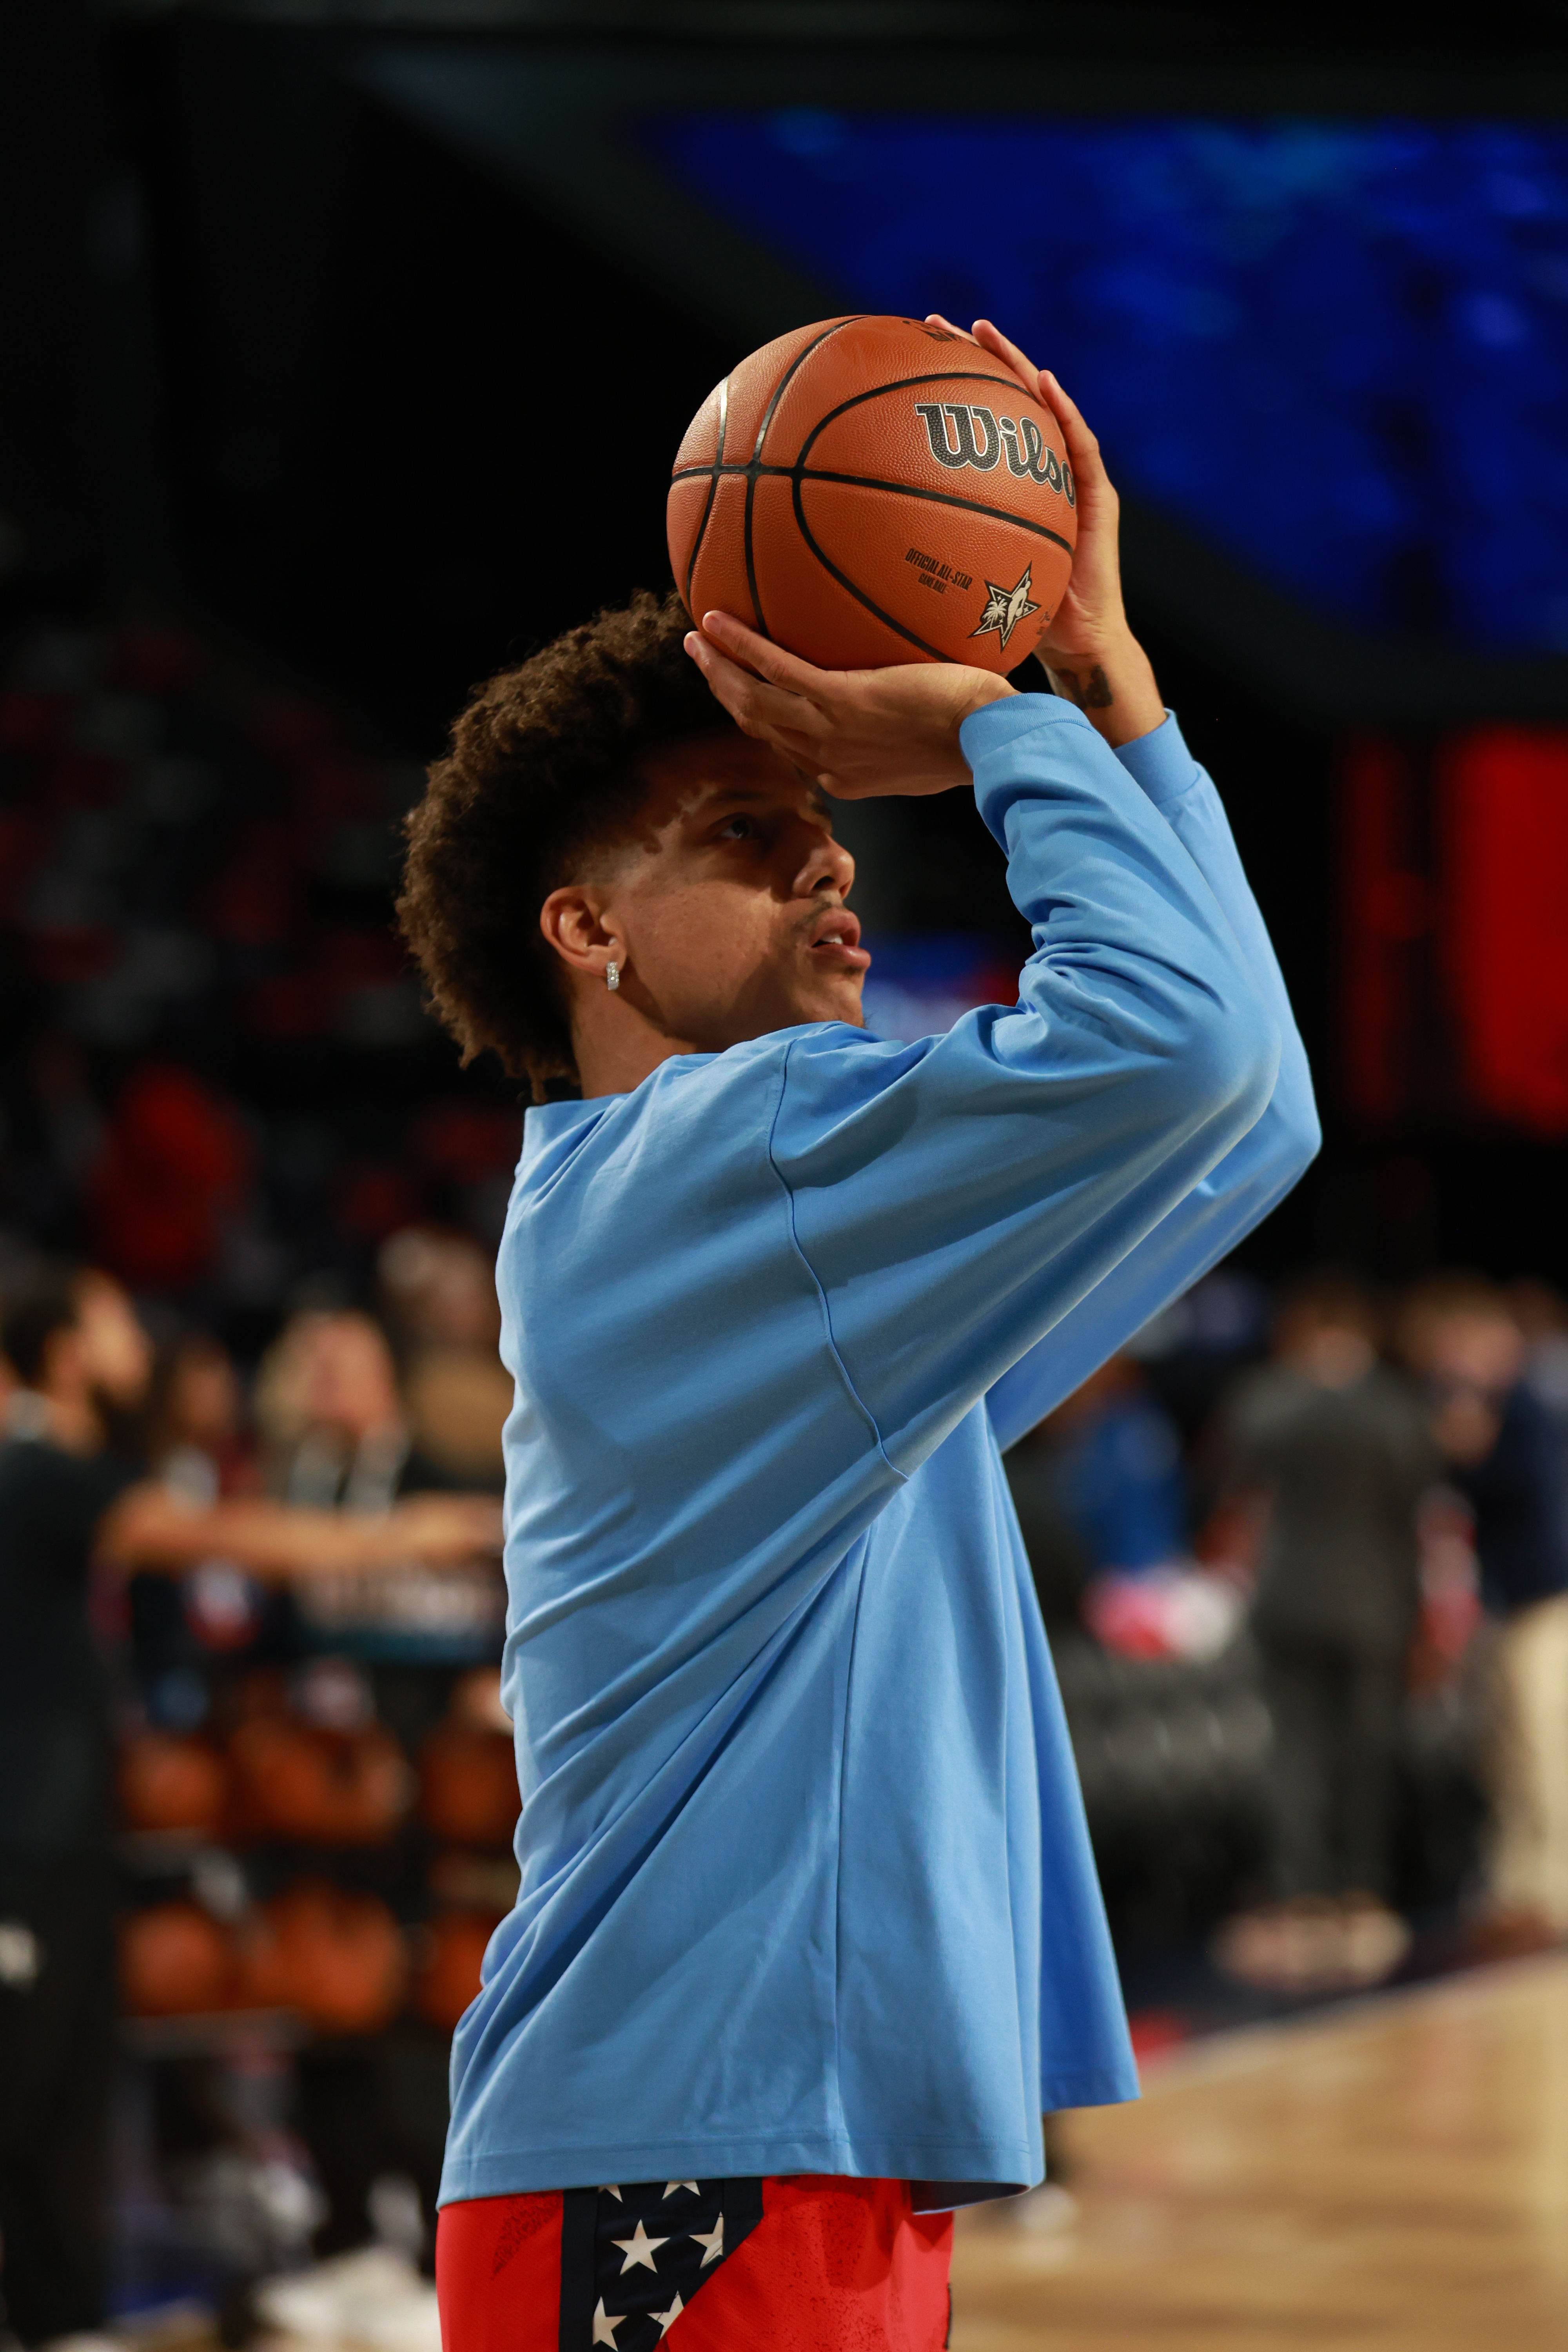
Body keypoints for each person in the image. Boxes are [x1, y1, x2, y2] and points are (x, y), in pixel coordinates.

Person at [396, 317, 1318, 2351]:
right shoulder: (721, 1165)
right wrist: (1006, 721)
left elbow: (1256, 1113)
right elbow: (1182, 1046)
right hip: (681, 2161)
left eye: (821, 826)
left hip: (772, 2152)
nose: (829, 855)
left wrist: (1112, 691)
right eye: (745, 832)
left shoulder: (785, 1265)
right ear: (586, 929)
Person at [0, 1263, 499, 2352]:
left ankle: (71, 2323)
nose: (144, 1344)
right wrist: (399, 1538)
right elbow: (217, 1539)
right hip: (28, 1840)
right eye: (117, 1324)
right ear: (69, 1355)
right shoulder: (39, 1466)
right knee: (33, 2108)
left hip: (89, 1835)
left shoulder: (64, 1472)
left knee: (69, 2116)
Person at [1208, 1272, 1438, 1994]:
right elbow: (1418, 1500)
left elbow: (1234, 1467)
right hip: (1374, 1603)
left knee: (1298, 1755)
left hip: (1290, 1600)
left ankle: (1303, 1898)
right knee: (1366, 1752)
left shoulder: (1274, 1397)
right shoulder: (1392, 1406)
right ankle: (1362, 1898)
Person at [1404, 1277, 1568, 1953]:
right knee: (1508, 1754)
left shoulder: (1528, 1402)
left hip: (1545, 1600)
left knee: (1544, 1751)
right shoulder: (1507, 1401)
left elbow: (1494, 1472)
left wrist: (1466, 1429)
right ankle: (1521, 1888)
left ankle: (1553, 1891)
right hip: (1509, 1603)